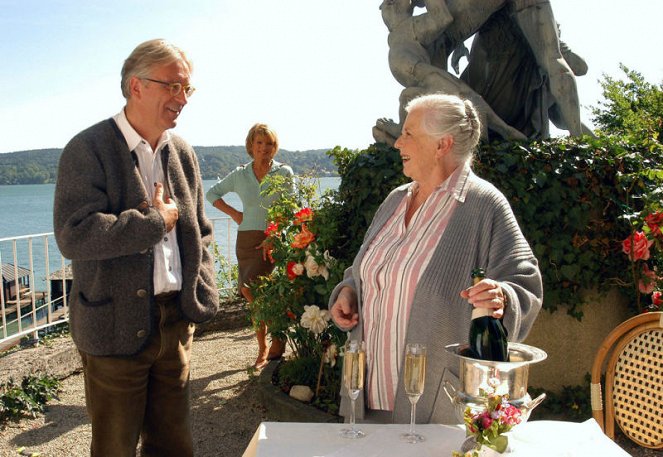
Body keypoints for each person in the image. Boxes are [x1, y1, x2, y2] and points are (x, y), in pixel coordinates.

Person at [330, 93, 543, 425]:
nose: (398, 141)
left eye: (409, 133)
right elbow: (365, 269)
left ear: (442, 145)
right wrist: (348, 291)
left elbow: (524, 282)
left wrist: (501, 297)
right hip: (367, 391)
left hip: (433, 402)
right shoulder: (395, 200)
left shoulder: (483, 204)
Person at [53, 39, 219, 456]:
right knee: (115, 447)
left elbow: (199, 229)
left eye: (187, 89)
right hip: (112, 329)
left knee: (174, 445)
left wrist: (201, 292)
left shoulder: (181, 152)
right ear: (136, 86)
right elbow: (74, 234)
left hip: (174, 324)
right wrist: (153, 222)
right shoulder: (87, 148)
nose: (182, 98)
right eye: (172, 86)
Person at [206, 123, 294, 369]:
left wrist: (275, 234)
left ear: (274, 147)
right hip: (246, 239)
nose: (264, 148)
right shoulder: (240, 174)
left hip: (273, 238)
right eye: (259, 143)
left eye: (269, 144)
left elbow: (292, 205)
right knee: (250, 292)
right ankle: (267, 343)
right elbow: (211, 194)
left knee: (260, 291)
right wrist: (235, 214)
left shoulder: (283, 173)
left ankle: (272, 342)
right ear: (251, 146)